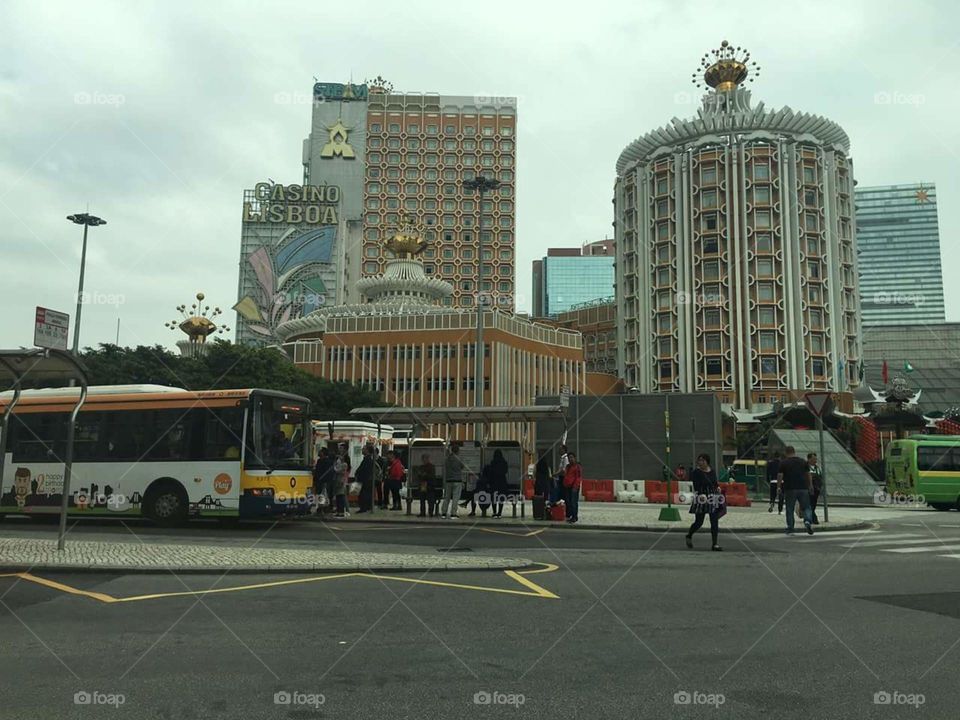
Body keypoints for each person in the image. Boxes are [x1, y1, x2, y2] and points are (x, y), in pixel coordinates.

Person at [685, 453, 724, 551]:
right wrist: (701, 495)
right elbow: (696, 485)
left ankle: (715, 544)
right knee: (699, 522)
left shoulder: (712, 471)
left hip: (712, 496)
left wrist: (718, 487)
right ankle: (689, 535)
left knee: (714, 520)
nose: (701, 462)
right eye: (699, 460)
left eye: (703, 460)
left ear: (707, 462)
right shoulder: (696, 472)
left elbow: (714, 483)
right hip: (701, 497)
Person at [777, 446, 814, 535]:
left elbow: (780, 476)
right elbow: (808, 474)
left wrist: (778, 487)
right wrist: (810, 485)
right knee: (806, 507)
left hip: (790, 488)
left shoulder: (784, 463)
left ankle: (791, 528)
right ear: (794, 451)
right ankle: (808, 521)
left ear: (786, 453)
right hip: (803, 488)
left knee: (790, 509)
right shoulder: (803, 461)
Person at [440, 444, 466, 519]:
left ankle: (444, 513)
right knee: (455, 498)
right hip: (457, 480)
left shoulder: (447, 459)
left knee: (447, 497)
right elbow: (462, 467)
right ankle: (453, 514)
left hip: (448, 480)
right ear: (458, 451)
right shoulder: (459, 458)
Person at [486, 449, 509, 518]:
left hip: (494, 482)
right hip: (502, 482)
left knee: (494, 498)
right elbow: (506, 471)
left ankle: (494, 512)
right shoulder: (504, 462)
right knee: (501, 498)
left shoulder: (493, 462)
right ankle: (499, 513)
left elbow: (491, 472)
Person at [312, 447, 335, 515]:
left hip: (323, 481)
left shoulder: (327, 461)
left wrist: (325, 481)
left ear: (323, 453)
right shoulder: (320, 460)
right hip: (320, 481)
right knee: (320, 495)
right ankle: (320, 508)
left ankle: (323, 509)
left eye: (320, 451)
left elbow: (328, 473)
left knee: (323, 495)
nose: (319, 452)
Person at [562, 451, 583, 523]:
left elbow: (578, 478)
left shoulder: (577, 467)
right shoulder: (568, 466)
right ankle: (570, 515)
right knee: (568, 502)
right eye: (569, 458)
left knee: (573, 502)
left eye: (571, 457)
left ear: (574, 458)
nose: (570, 459)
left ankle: (574, 516)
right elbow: (566, 475)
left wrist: (575, 487)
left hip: (574, 487)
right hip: (567, 486)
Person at [356, 444, 376, 513]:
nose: (362, 450)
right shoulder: (367, 459)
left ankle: (363, 508)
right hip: (365, 480)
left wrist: (359, 475)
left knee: (363, 494)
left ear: (367, 450)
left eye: (364, 449)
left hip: (364, 480)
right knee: (365, 494)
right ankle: (366, 507)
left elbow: (364, 471)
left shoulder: (368, 459)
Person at [333, 444, 351, 518]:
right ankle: (339, 510)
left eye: (341, 448)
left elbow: (341, 469)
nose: (340, 449)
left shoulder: (345, 460)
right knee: (339, 495)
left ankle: (344, 510)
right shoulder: (338, 458)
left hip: (342, 478)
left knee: (342, 495)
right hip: (337, 478)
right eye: (339, 448)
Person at [808, 452, 823, 525]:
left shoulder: (818, 468)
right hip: (809, 489)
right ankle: (813, 518)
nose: (815, 460)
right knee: (810, 504)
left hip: (816, 489)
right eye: (814, 458)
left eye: (816, 458)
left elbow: (821, 477)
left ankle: (810, 517)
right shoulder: (806, 467)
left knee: (813, 504)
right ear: (809, 459)